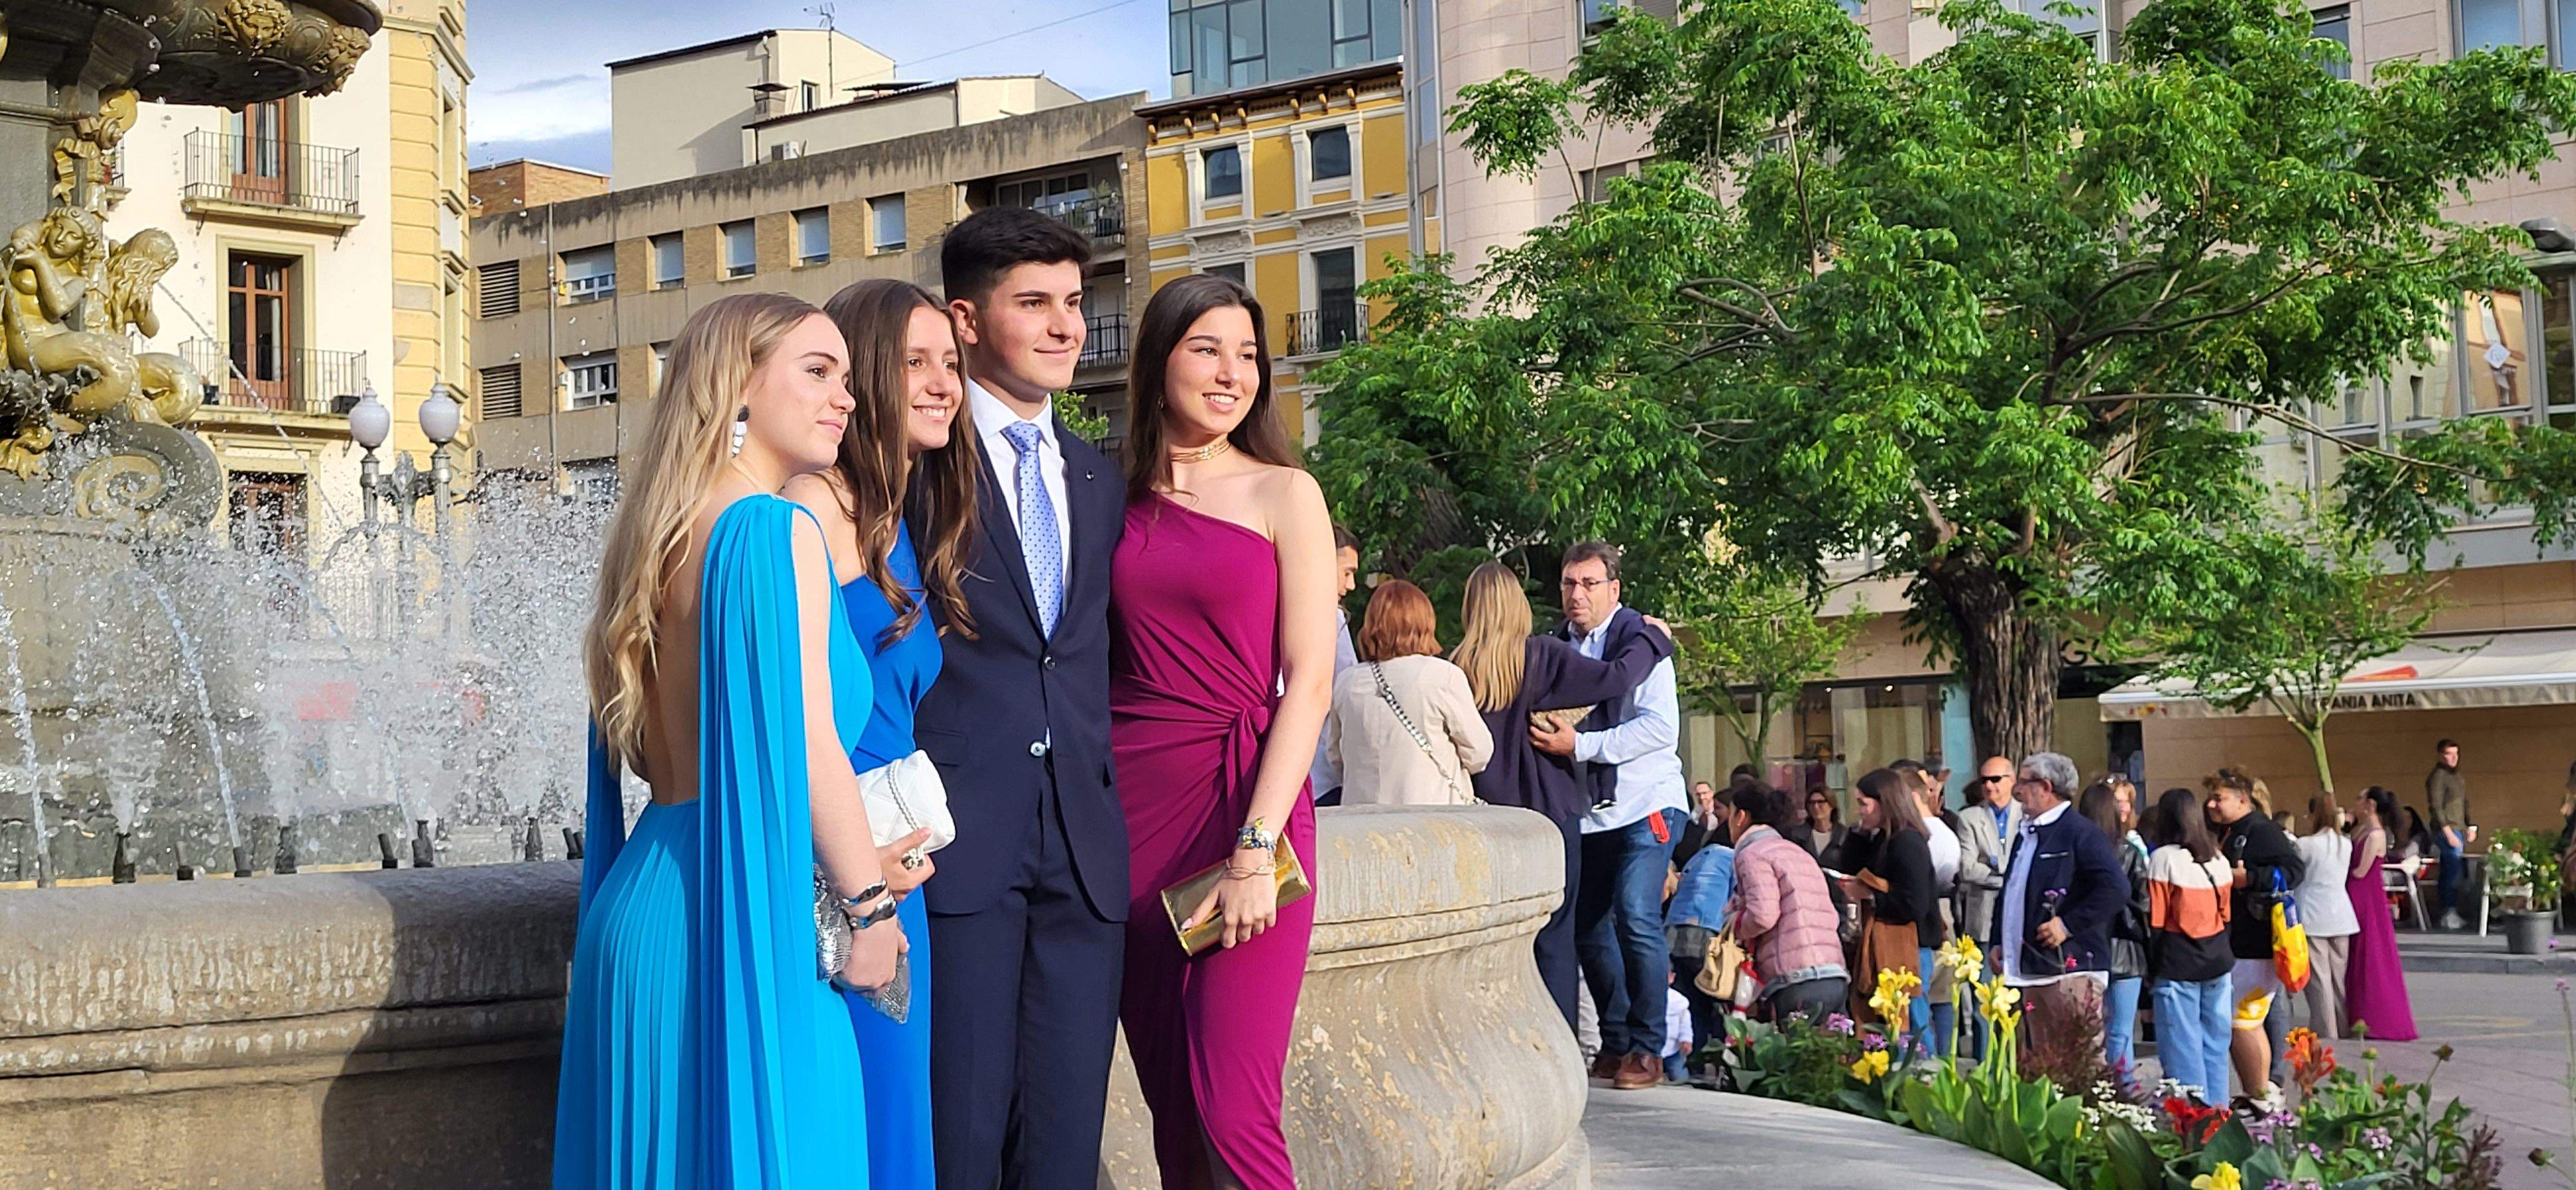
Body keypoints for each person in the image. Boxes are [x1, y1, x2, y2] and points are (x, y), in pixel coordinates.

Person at [554, 294, 901, 1185]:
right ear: (737, 389)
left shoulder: (655, 535)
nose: (847, 401)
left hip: (645, 909)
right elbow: (812, 745)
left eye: (849, 382)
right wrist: (870, 905)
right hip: (744, 920)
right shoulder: (774, 529)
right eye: (818, 373)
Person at [1110, 274, 1334, 1189]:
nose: (1231, 372)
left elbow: (1311, 681)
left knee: (1233, 1106)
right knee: (1173, 1108)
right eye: (1207, 348)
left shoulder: (1286, 492)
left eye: (1248, 355)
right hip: (1130, 817)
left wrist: (1255, 849)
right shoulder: (1104, 496)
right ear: (1159, 361)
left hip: (1250, 806)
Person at [921, 207, 1129, 1189]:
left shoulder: (1099, 477)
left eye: (1076, 304)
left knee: (1063, 1145)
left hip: (1084, 850)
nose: (1066, 327)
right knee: (959, 1135)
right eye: (1033, 303)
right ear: (966, 321)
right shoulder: (914, 467)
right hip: (959, 846)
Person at [783, 278, 977, 1187]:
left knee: (898, 1127)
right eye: (915, 363)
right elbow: (793, 716)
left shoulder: (905, 519)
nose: (943, 383)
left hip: (894, 871)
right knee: (855, 1135)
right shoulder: (810, 509)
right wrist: (857, 882)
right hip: (838, 879)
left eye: (951, 363)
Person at [1450, 560, 1672, 1034]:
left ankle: (1499, 1040)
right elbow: (1617, 677)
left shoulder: (1454, 669)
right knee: (1555, 936)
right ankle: (1557, 1050)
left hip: (1488, 822)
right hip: (1551, 816)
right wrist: (1657, 639)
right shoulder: (1544, 657)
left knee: (1498, 940)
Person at [1533, 541, 1689, 1091]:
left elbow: (1658, 730)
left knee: (1636, 914)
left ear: (1614, 590)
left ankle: (1648, 1049)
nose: (1577, 594)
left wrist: (1581, 745)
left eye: (1589, 584)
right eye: (1570, 584)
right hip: (1590, 811)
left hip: (1649, 801)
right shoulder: (1553, 644)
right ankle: (1617, 1041)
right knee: (1586, 928)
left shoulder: (1640, 641)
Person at [1992, 753, 2129, 1058]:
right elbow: (2011, 891)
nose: (2017, 791)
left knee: (2075, 1065)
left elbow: (2116, 889)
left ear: (2046, 786)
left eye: (2024, 783)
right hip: (2027, 971)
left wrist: (2067, 925)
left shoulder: (2079, 832)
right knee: (2035, 1068)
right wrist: (1998, 941)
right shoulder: (2027, 833)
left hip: (2067, 972)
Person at [1327, 578, 1492, 805]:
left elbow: (1336, 758)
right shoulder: (1443, 676)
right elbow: (1479, 753)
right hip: (1433, 819)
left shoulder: (1347, 683)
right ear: (1425, 623)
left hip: (1363, 822)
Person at [2206, 766, 2305, 1108]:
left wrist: (2248, 877)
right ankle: (2262, 1092)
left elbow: (2293, 870)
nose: (2211, 804)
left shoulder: (2261, 830)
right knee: (2248, 1021)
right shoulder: (2231, 830)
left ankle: (2261, 1092)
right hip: (2242, 941)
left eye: (2219, 798)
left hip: (2255, 940)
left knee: (2241, 1022)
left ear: (2243, 800)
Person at [1727, 781, 1850, 1024]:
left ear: (1741, 817)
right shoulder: (1798, 853)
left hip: (1796, 978)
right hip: (1833, 973)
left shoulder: (1752, 854)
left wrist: (1735, 924)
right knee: (1828, 1057)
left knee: (1793, 1058)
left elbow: (1763, 915)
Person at [2144, 787, 2236, 1106]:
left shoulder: (2162, 859)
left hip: (2177, 962)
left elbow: (2156, 920)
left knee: (2182, 1051)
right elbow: (2226, 914)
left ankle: (2193, 1125)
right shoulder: (2219, 858)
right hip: (2218, 960)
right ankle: (2219, 1118)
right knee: (2216, 1046)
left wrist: (2151, 969)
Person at [1838, 768, 1935, 1042]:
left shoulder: (1907, 842)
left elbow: (1912, 903)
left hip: (1909, 947)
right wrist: (1858, 834)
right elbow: (1852, 867)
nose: (1860, 811)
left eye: (1864, 804)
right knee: (1890, 1021)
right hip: (1886, 944)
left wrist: (1870, 896)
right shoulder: (1883, 839)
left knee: (1912, 1020)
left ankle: (1925, 1076)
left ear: (1884, 802)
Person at [2078, 780, 2150, 1083]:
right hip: (2126, 950)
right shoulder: (2129, 851)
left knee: (2090, 1031)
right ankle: (2124, 1092)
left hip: (2084, 948)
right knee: (2121, 1031)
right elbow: (2144, 903)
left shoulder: (2075, 849)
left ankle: (2096, 1090)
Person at [2342, 786, 2418, 1041]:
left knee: (2369, 953)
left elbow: (2360, 871)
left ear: (2371, 804)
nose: (2356, 803)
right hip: (2359, 893)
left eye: (2360, 799)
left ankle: (2377, 1018)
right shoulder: (2362, 829)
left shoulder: (2375, 834)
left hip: (2364, 895)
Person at [1899, 760, 1962, 1057]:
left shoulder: (1925, 835)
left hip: (1931, 917)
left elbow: (1920, 884)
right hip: (1940, 912)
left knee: (1923, 999)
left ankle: (1932, 1061)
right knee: (1941, 998)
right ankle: (1944, 1058)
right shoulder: (1943, 831)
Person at [1663, 827, 1734, 1077]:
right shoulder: (1732, 858)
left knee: (1689, 1000)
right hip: (1706, 932)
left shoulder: (1698, 856)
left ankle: (1689, 1061)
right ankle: (1714, 1058)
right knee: (1714, 996)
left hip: (1673, 932)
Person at [2291, 793, 2358, 1041]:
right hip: (2341, 913)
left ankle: (2326, 1031)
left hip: (2312, 914)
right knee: (2338, 979)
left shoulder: (2305, 844)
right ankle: (2342, 1026)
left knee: (2319, 981)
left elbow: (2296, 876)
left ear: (2312, 815)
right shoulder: (2346, 844)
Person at [1309, 525, 1363, 804]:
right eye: (1347, 572)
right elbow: (1346, 689)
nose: (1351, 585)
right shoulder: (1329, 618)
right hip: (1324, 772)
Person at [1956, 755, 2023, 948]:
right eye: (1983, 780)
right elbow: (1967, 869)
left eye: (1995, 779)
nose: (1988, 785)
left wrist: (1991, 866)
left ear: (2012, 780)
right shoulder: (1969, 817)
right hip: (1983, 917)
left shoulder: (2027, 814)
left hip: (2019, 914)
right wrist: (2007, 877)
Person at [2426, 739, 2475, 930]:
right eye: (2449, 754)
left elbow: (2465, 803)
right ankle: (2448, 910)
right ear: (2440, 755)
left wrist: (2470, 826)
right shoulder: (2438, 777)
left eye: (2456, 754)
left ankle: (2452, 910)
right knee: (2452, 870)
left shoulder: (2458, 777)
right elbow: (2436, 806)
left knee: (2455, 869)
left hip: (2460, 828)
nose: (2453, 758)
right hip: (2447, 830)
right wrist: (2447, 832)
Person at [1787, 786, 1850, 873]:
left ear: (1831, 805)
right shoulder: (1796, 835)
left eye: (1821, 802)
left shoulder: (1845, 836)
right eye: (1812, 803)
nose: (1816, 807)